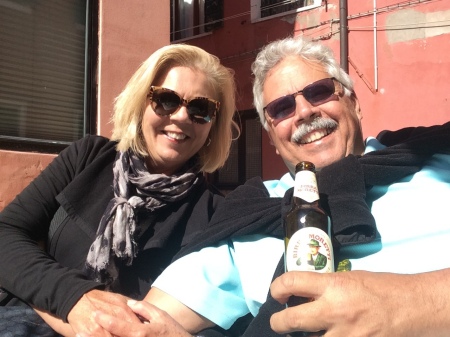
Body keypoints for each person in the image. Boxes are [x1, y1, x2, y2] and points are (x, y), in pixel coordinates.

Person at [72, 36, 450, 337]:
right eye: (281, 108)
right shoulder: (253, 211)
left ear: (353, 101)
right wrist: (51, 298)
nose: (304, 112)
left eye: (318, 92)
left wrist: (413, 304)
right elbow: (143, 325)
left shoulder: (433, 159)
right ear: (270, 135)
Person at [0, 43, 239, 337]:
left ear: (212, 126)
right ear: (141, 103)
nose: (180, 117)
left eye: (200, 109)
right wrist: (75, 299)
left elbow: (209, 320)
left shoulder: (214, 212)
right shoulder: (88, 157)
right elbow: (5, 234)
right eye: (166, 99)